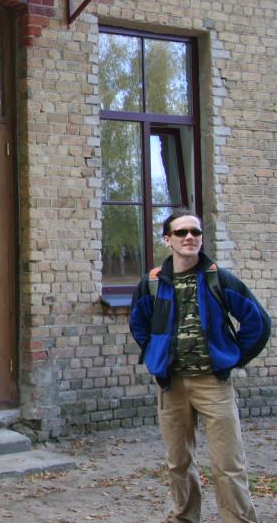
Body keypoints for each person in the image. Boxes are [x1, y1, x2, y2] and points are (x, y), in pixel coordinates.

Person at [129, 210, 271, 523]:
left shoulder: (219, 279)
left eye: (195, 231)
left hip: (213, 385)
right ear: (168, 239)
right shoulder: (152, 283)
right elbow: (139, 324)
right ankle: (184, 517)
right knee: (178, 463)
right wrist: (157, 355)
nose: (189, 237)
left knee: (228, 464)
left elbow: (257, 322)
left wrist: (232, 357)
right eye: (181, 232)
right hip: (172, 386)